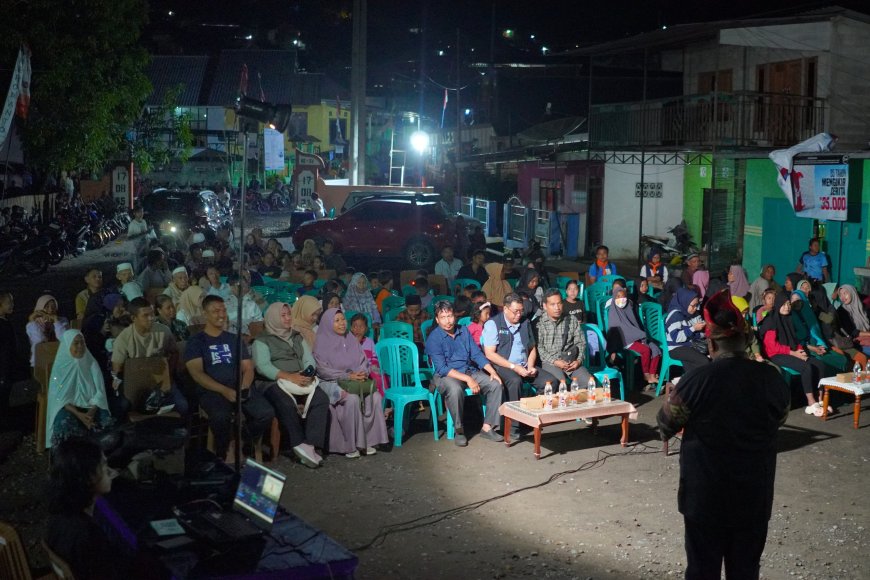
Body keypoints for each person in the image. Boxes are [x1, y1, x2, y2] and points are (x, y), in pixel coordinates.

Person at [657, 290, 790, 580]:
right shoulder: (771, 377)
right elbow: (780, 417)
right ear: (745, 340)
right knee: (745, 571)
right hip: (753, 496)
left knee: (702, 570)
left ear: (712, 343)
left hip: (705, 497)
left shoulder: (696, 379)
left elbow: (666, 423)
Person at [184, 295, 274, 461]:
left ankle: (244, 440)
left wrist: (244, 386)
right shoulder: (196, 341)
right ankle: (223, 452)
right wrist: (224, 390)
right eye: (215, 311)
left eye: (224, 310)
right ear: (205, 314)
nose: (221, 314)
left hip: (239, 387)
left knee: (265, 413)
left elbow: (248, 367)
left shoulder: (234, 339)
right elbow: (197, 373)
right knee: (221, 417)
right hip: (213, 390)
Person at [252, 303, 329, 468]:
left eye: (289, 314)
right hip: (273, 382)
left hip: (299, 378)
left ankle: (310, 444)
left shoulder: (296, 336)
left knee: (321, 398)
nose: (288, 318)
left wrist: (307, 374)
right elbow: (263, 366)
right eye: (283, 315)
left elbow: (308, 358)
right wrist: (289, 376)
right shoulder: (262, 340)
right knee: (285, 403)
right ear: (273, 318)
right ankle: (298, 442)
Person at [45, 437, 128, 579]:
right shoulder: (88, 535)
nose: (111, 472)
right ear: (89, 477)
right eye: (104, 466)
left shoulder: (58, 517)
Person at [425, 300, 504, 447]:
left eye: (450, 316)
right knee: (455, 390)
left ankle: (487, 427)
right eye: (443, 317)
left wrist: (492, 371)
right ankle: (459, 430)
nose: (448, 321)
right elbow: (442, 368)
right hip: (447, 375)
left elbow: (476, 354)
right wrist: (468, 379)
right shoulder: (434, 338)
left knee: (495, 384)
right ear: (437, 319)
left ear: (455, 316)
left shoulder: (463, 331)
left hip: (468, 370)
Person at [313, 308, 389, 458]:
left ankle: (367, 441)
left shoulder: (350, 339)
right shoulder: (321, 343)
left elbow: (363, 361)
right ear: (328, 323)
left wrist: (362, 373)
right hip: (331, 382)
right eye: (337, 321)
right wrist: (347, 376)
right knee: (352, 399)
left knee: (375, 397)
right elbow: (322, 371)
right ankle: (350, 444)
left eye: (343, 319)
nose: (342, 323)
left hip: (354, 381)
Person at [110, 297, 188, 416]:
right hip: (136, 382)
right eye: (145, 316)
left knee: (182, 406)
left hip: (160, 378)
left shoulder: (163, 331)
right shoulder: (123, 339)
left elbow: (174, 352)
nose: (151, 318)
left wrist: (169, 373)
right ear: (133, 318)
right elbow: (117, 368)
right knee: (123, 406)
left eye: (151, 314)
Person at [482, 293, 556, 414]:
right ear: (505, 309)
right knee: (515, 381)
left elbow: (532, 348)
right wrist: (514, 367)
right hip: (502, 365)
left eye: (521, 311)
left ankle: (537, 414)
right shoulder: (493, 324)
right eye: (515, 311)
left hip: (524, 365)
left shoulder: (525, 322)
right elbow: (490, 354)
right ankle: (514, 421)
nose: (519, 314)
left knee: (550, 382)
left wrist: (530, 366)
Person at [759, 292, 828, 415]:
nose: (787, 307)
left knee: (820, 365)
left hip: (791, 351)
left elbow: (794, 340)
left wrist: (801, 351)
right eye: (784, 304)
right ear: (778, 304)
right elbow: (772, 347)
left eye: (788, 304)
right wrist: (794, 353)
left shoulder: (789, 318)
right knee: (806, 367)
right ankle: (811, 402)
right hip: (776, 354)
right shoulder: (771, 321)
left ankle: (821, 399)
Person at [45, 330, 113, 449]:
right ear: (67, 346)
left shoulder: (91, 363)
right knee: (63, 421)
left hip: (91, 406)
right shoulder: (60, 367)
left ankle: (100, 455)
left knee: (105, 421)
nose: (80, 346)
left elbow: (100, 391)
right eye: (76, 343)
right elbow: (59, 398)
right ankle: (68, 456)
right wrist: (79, 415)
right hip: (70, 409)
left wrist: (91, 412)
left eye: (82, 342)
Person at [534, 288, 594, 387]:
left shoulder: (571, 319)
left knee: (588, 382)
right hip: (550, 362)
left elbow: (581, 342)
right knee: (561, 384)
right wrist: (555, 361)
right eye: (552, 304)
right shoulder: (539, 323)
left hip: (570, 361)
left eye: (559, 303)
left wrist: (578, 361)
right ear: (545, 306)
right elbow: (540, 349)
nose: (557, 308)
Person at [607, 286, 661, 387]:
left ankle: (652, 374)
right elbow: (614, 334)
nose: (621, 299)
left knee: (655, 348)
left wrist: (640, 335)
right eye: (618, 297)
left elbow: (635, 325)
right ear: (614, 298)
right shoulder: (613, 313)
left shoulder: (629, 308)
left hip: (636, 337)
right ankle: (646, 374)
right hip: (625, 341)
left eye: (623, 297)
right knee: (646, 350)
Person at [665, 288, 710, 375]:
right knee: (704, 361)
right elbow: (676, 338)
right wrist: (693, 329)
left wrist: (704, 331)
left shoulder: (693, 313)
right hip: (676, 347)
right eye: (693, 305)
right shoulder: (676, 316)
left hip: (689, 343)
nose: (695, 308)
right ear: (684, 302)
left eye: (697, 305)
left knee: (710, 355)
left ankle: (692, 380)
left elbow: (698, 333)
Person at [0, 292, 29, 418]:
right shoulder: (3, 324)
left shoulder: (6, 322)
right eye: (9, 303)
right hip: (4, 368)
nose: (12, 305)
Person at [349, 313, 387, 396]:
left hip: (370, 368)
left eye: (361, 326)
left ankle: (383, 400)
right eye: (355, 326)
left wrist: (374, 365)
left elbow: (374, 357)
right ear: (351, 328)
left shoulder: (369, 341)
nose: (358, 329)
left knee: (381, 376)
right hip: (355, 370)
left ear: (366, 329)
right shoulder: (348, 342)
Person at [26, 294, 70, 366]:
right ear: (39, 308)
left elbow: (64, 339)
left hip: (61, 359)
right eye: (46, 307)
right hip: (41, 361)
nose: (50, 309)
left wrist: (56, 321)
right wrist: (32, 320)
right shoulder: (33, 324)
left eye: (53, 306)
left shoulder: (62, 321)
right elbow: (39, 340)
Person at [225, 272, 264, 338]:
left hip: (248, 337)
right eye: (239, 285)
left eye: (244, 285)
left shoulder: (252, 304)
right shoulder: (224, 304)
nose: (243, 288)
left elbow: (259, 323)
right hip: (229, 337)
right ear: (231, 287)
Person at [835, 285, 870, 358]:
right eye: (840, 295)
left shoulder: (862, 305)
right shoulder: (841, 311)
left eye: (845, 293)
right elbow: (852, 332)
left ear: (852, 292)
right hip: (856, 342)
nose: (842, 297)